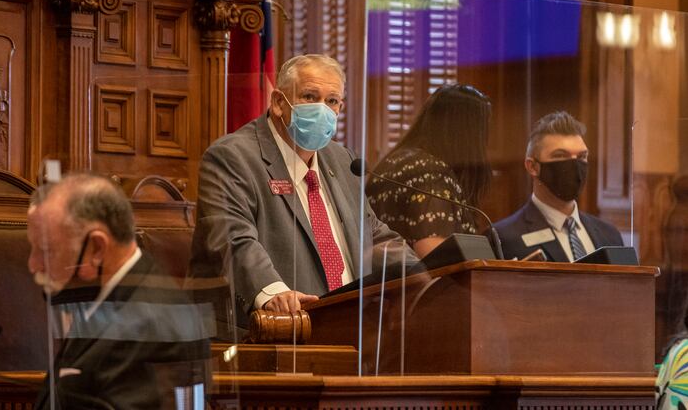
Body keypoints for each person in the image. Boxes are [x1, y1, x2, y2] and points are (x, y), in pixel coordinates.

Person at [190, 54, 416, 318]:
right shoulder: (233, 157)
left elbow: (373, 235)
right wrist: (274, 293)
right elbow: (233, 239)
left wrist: (425, 272)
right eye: (309, 97)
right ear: (278, 102)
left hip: (349, 322)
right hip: (270, 330)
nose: (321, 109)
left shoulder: (344, 160)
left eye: (331, 101)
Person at [27, 173, 211, 410]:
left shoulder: (158, 326)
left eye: (46, 250)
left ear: (96, 248)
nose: (33, 264)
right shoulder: (100, 296)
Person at [366, 84, 493, 258]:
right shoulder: (431, 173)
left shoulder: (396, 161)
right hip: (419, 284)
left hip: (384, 282)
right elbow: (435, 255)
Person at [494, 111, 623, 261]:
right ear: (532, 167)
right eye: (560, 155)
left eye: (581, 156)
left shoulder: (610, 235)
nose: (574, 165)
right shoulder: (502, 238)